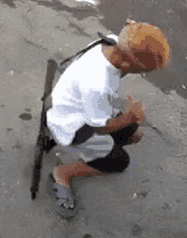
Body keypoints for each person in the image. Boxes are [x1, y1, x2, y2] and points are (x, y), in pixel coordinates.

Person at [46, 18, 171, 218]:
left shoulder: (111, 42)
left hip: (74, 103)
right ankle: (64, 173)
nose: (141, 75)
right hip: (71, 125)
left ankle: (102, 150)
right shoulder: (97, 84)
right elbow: (99, 128)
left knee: (133, 132)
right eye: (142, 72)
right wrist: (131, 116)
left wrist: (129, 120)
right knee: (119, 162)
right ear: (125, 63)